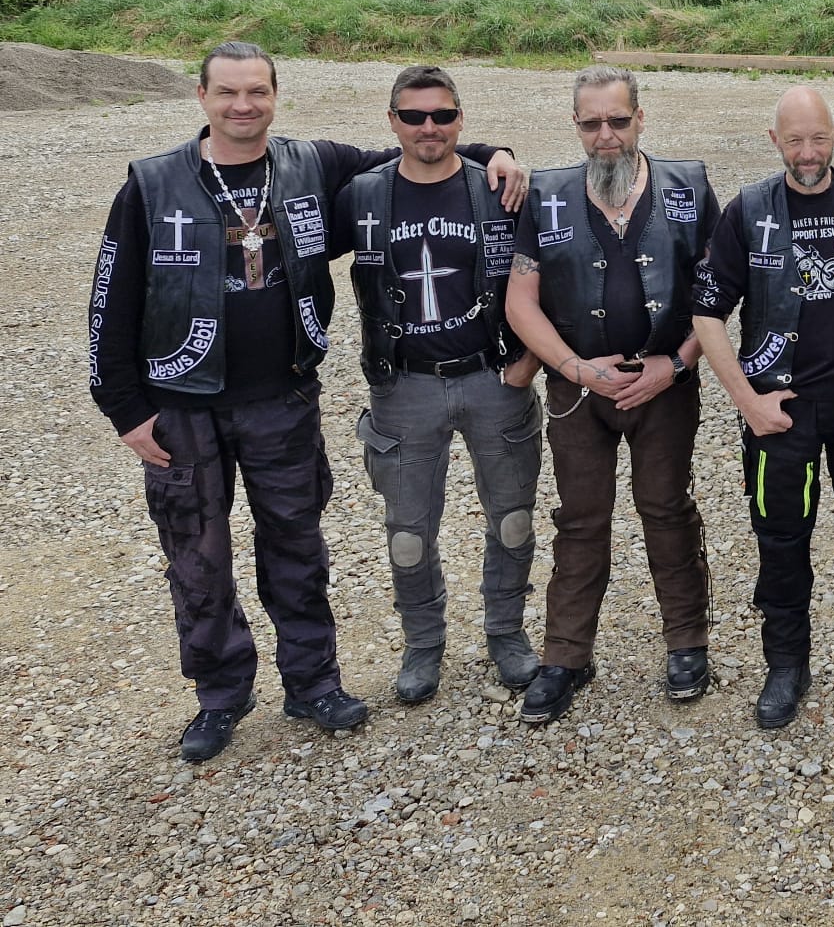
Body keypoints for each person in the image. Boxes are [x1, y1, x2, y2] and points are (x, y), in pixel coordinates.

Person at [87, 41, 526, 763]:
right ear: (202, 97)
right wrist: (124, 407)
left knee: (296, 546)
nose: (243, 105)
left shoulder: (311, 165)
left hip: (283, 394)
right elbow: (112, 295)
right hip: (183, 399)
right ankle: (220, 694)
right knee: (198, 557)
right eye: (228, 92)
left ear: (275, 95)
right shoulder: (154, 183)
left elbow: (419, 149)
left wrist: (495, 151)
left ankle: (312, 682)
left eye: (257, 91)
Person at [505, 66, 717, 725]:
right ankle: (566, 656)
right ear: (575, 125)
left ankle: (687, 643)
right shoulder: (546, 195)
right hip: (578, 392)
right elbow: (520, 301)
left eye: (618, 121)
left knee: (667, 508)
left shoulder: (689, 187)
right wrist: (576, 369)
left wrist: (675, 365)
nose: (606, 135)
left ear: (640, 119)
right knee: (581, 517)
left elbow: (717, 296)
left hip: (666, 387)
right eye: (592, 123)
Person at [691, 86, 834, 728]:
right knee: (781, 542)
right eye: (793, 141)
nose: (807, 153)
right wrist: (747, 400)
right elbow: (707, 311)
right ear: (773, 141)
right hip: (780, 411)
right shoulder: (749, 209)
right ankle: (785, 663)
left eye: (817, 138)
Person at [333, 65, 545, 705]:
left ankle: (506, 632)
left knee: (513, 520)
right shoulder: (361, 196)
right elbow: (294, 259)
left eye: (443, 115)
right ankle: (422, 645)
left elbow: (548, 273)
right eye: (414, 116)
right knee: (407, 532)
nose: (429, 127)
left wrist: (530, 363)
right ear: (391, 121)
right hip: (404, 386)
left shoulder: (499, 191)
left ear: (461, 118)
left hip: (492, 378)